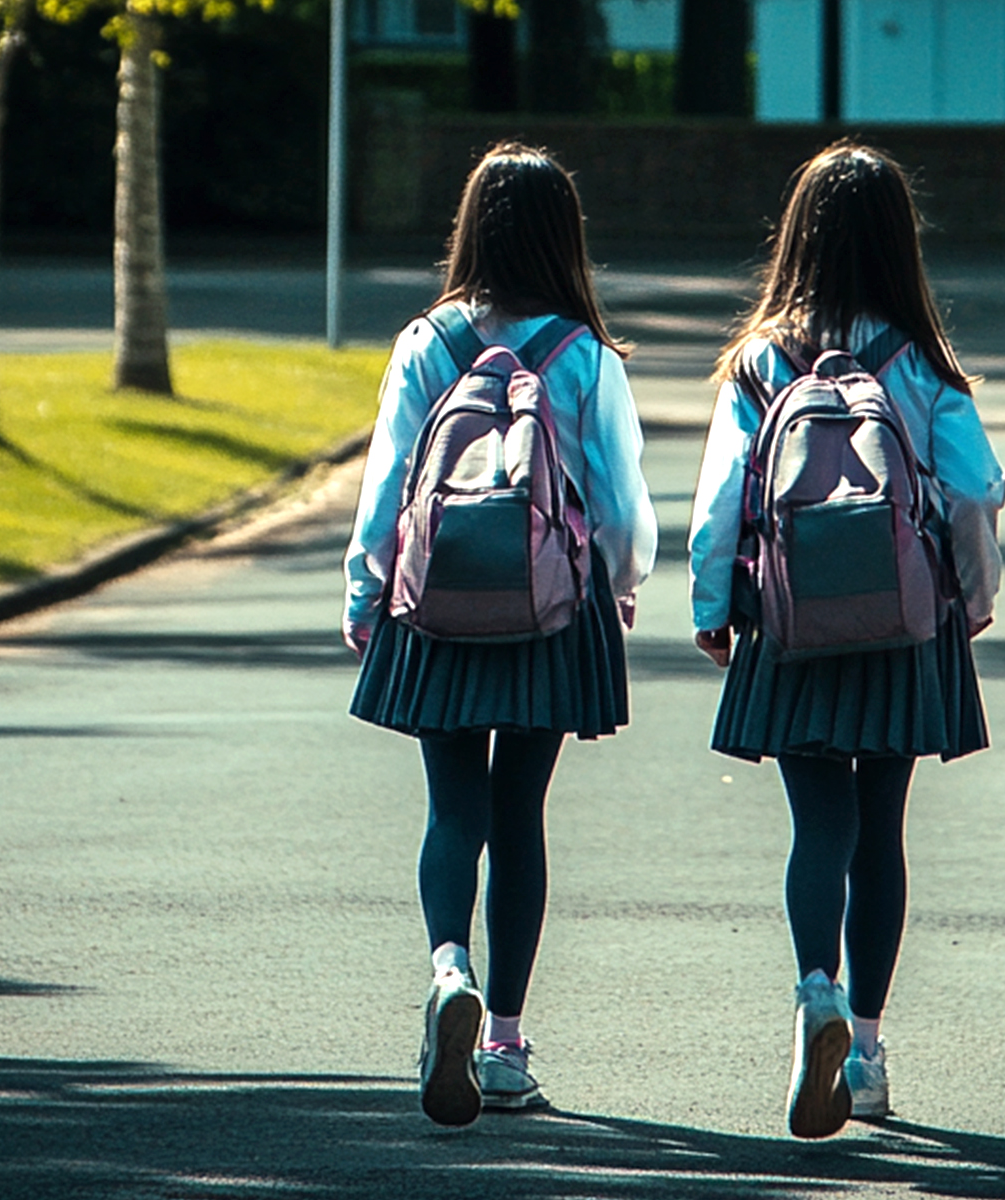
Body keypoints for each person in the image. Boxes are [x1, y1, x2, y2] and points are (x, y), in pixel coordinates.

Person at [688, 142, 1005, 1139]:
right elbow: (972, 493)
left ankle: (813, 990)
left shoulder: (758, 362)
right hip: (906, 626)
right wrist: (975, 598)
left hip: (791, 623)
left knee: (816, 825)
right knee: (884, 834)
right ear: (898, 245)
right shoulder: (922, 363)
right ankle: (864, 1048)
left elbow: (719, 504)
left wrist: (711, 607)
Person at [343, 143, 657, 1127]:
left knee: (452, 810)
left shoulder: (424, 343)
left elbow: (391, 481)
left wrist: (365, 590)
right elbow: (621, 504)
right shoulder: (583, 355)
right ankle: (507, 1043)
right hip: (550, 611)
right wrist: (620, 584)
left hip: (437, 605)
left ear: (470, 227)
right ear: (566, 238)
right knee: (520, 820)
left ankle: (448, 970)